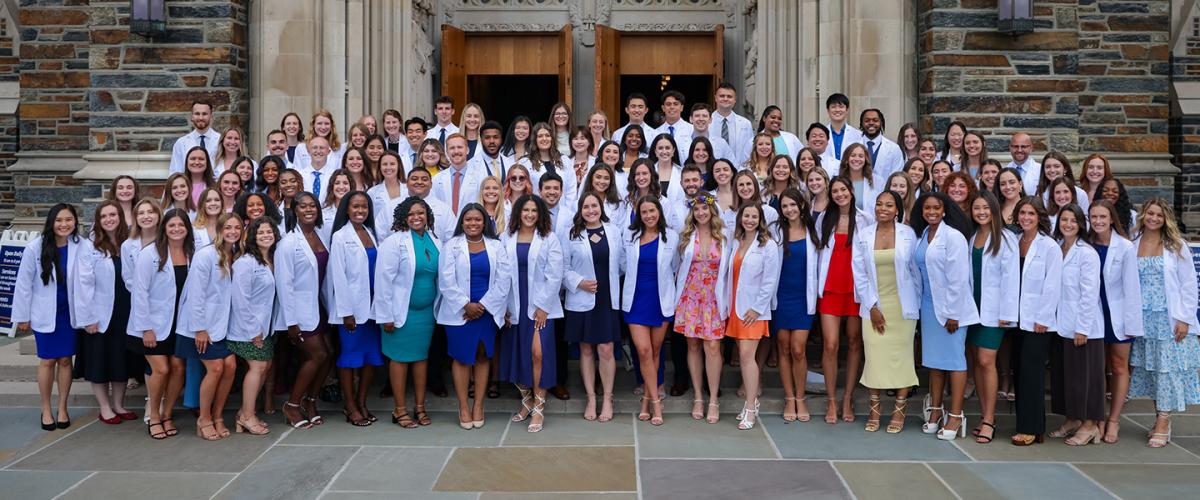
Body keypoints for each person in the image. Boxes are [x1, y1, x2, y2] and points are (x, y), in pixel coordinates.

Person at [1129, 198, 1200, 448]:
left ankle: (1164, 420)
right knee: (1153, 370)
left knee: (1167, 371)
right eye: (1150, 213)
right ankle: (1158, 415)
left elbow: (1189, 285)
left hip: (1168, 318)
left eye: (1159, 215)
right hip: (1143, 318)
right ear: (1143, 215)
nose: (1154, 218)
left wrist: (1184, 319)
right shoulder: (1133, 242)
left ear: (1166, 218)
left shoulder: (1176, 245)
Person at [910, 192, 979, 441]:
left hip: (952, 310)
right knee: (934, 362)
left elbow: (959, 279)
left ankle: (956, 415)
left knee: (955, 362)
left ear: (944, 210)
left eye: (936, 208)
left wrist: (953, 314)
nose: (931, 212)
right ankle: (936, 410)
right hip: (928, 307)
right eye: (927, 208)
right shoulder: (921, 236)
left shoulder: (954, 237)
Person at [437, 203, 511, 429]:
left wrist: (483, 305)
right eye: (468, 219)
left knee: (482, 355)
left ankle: (478, 405)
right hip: (460, 312)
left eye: (477, 219)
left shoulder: (496, 246)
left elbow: (504, 279)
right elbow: (445, 280)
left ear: (484, 222)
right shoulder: (452, 246)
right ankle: (463, 406)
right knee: (461, 357)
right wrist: (465, 305)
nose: (473, 223)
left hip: (486, 311)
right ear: (462, 222)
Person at [851, 190, 919, 433]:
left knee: (901, 358)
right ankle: (874, 410)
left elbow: (914, 271)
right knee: (875, 358)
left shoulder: (908, 234)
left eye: (889, 205)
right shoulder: (864, 234)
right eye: (879, 204)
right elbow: (859, 273)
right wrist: (872, 307)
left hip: (903, 307)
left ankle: (899, 412)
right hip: (874, 306)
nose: (883, 208)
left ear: (897, 210)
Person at [374, 197, 441, 428]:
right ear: (403, 216)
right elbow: (383, 281)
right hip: (400, 314)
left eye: (421, 213)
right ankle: (399, 410)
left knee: (421, 359)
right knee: (399, 360)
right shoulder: (394, 242)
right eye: (411, 213)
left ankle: (420, 407)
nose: (416, 217)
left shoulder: (434, 239)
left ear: (427, 216)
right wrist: (386, 316)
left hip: (426, 315)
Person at [14, 204, 82, 431]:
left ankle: (62, 407)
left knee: (65, 360)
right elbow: (23, 284)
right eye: (59, 220)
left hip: (69, 313)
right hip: (45, 312)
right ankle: (45, 409)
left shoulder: (82, 246)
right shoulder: (35, 247)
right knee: (48, 360)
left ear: (75, 222)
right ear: (51, 222)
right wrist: (22, 316)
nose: (64, 224)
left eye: (69, 219)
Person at [500, 195, 564, 433]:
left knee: (539, 354)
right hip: (513, 304)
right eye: (525, 210)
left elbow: (555, 274)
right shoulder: (506, 238)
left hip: (540, 306)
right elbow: (500, 273)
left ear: (540, 214)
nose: (529, 214)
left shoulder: (549, 238)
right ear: (518, 213)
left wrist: (544, 306)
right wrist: (502, 306)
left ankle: (539, 406)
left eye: (533, 210)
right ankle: (526, 399)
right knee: (518, 354)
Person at [129, 208, 194, 439]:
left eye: (181, 225)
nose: (177, 229)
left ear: (187, 228)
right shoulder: (150, 254)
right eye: (172, 225)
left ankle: (167, 414)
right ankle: (154, 416)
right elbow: (139, 292)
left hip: (181, 323)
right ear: (164, 229)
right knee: (162, 369)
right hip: (153, 325)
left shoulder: (191, 253)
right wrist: (145, 327)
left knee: (178, 368)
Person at [73, 201, 137, 424]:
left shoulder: (129, 243)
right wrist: (88, 318)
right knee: (99, 361)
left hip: (125, 313)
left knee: (121, 361)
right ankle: (104, 407)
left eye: (113, 214)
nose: (109, 219)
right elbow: (82, 285)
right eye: (104, 216)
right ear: (98, 221)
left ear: (120, 216)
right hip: (99, 314)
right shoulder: (89, 247)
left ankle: (119, 405)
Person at [563, 192, 623, 422]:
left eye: (594, 206)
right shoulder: (572, 234)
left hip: (607, 298)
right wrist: (579, 282)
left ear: (601, 207)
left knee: (606, 349)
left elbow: (623, 263)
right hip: (583, 298)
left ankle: (607, 397)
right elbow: (563, 268)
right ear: (580, 210)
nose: (590, 210)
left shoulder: (613, 231)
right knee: (586, 349)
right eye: (586, 206)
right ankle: (591, 398)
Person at [275, 192, 334, 429]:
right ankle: (291, 404)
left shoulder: (320, 235)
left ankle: (310, 401)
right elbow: (284, 284)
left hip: (317, 305)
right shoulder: (288, 242)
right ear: (294, 210)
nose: (309, 209)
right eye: (303, 206)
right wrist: (291, 322)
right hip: (297, 311)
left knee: (329, 354)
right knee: (317, 355)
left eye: (313, 205)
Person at [180, 213, 240, 440]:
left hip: (222, 325)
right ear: (220, 230)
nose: (233, 231)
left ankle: (217, 416)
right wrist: (200, 328)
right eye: (228, 227)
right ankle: (203, 419)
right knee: (215, 368)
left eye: (237, 228)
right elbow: (195, 294)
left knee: (231, 367)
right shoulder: (205, 255)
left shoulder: (234, 254)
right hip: (201, 326)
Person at [965, 191, 1019, 444]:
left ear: (995, 210)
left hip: (994, 311)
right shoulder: (972, 237)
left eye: (986, 208)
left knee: (987, 360)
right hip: (972, 309)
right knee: (977, 360)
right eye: (977, 208)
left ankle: (989, 418)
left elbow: (1011, 279)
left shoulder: (1006, 238)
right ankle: (984, 415)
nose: (982, 212)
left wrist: (1007, 315)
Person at [1048, 203, 1104, 446]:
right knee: (1066, 377)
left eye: (1073, 220)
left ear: (1081, 224)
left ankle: (1090, 425)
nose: (1068, 224)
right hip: (1061, 323)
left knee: (1086, 378)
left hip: (1084, 328)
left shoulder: (1087, 253)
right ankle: (1073, 419)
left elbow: (1089, 293)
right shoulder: (1058, 248)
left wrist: (1083, 327)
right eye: (1064, 220)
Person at [329, 191, 385, 427]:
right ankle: (350, 405)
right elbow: (338, 277)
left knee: (370, 358)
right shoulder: (341, 237)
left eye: (364, 207)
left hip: (372, 307)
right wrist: (346, 312)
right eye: (355, 207)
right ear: (346, 209)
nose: (360, 211)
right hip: (351, 311)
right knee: (350, 358)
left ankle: (362, 402)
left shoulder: (372, 233)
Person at [622, 196, 679, 426]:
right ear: (639, 215)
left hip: (661, 299)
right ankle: (656, 403)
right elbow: (622, 265)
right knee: (643, 351)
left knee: (655, 351)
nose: (649, 216)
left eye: (652, 211)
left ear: (659, 212)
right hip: (636, 299)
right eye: (644, 212)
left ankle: (646, 398)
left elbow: (675, 266)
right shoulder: (630, 235)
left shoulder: (671, 237)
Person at [673, 193, 730, 423]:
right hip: (691, 297)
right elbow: (677, 267)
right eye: (696, 210)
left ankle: (713, 398)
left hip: (714, 299)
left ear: (712, 210)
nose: (701, 213)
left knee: (714, 347)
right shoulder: (686, 237)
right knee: (693, 345)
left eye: (704, 209)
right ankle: (698, 396)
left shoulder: (724, 236)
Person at [1010, 196, 1063, 446]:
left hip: (1037, 321)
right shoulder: (1015, 241)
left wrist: (1043, 318)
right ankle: (1029, 424)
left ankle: (1031, 428)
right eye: (1022, 213)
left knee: (1032, 373)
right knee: (1019, 371)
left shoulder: (1049, 246)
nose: (1026, 218)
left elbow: (1052, 285)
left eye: (1031, 214)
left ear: (1039, 217)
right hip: (1016, 318)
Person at [816, 177, 868, 423]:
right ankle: (831, 400)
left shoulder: (866, 219)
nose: (839, 194)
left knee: (855, 342)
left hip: (855, 289)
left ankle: (847, 398)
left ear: (851, 191)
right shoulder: (823, 219)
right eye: (835, 191)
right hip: (830, 288)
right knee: (830, 344)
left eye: (843, 190)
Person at [726, 203, 781, 430]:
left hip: (753, 312)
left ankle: (750, 407)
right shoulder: (737, 241)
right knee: (743, 355)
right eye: (746, 216)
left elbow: (770, 280)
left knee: (748, 358)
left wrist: (757, 308)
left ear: (760, 220)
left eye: (754, 216)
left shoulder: (767, 245)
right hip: (736, 308)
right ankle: (752, 402)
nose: (749, 220)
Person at [228, 217, 282, 436]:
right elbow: (240, 300)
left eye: (269, 232)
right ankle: (248, 416)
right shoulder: (245, 262)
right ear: (252, 237)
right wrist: (253, 331)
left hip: (264, 327)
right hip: (246, 330)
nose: (266, 236)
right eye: (260, 233)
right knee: (258, 367)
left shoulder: (271, 259)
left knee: (266, 365)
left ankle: (243, 413)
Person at [770, 189, 819, 423]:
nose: (789, 210)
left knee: (798, 348)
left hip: (803, 297)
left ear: (801, 205)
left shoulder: (814, 229)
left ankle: (801, 398)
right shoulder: (776, 230)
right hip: (781, 297)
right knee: (784, 347)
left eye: (793, 205)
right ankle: (789, 398)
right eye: (785, 206)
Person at [431, 134, 485, 216]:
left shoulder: (480, 177)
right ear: (447, 152)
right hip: (444, 226)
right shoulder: (437, 179)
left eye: (460, 147)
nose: (456, 151)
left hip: (470, 224)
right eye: (452, 148)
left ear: (467, 150)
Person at [169, 101, 220, 174]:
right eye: (197, 114)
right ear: (192, 116)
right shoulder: (181, 143)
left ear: (211, 116)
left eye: (204, 114)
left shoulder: (221, 140)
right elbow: (175, 172)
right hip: (189, 184)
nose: (201, 117)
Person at [368, 152, 409, 240]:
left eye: (392, 164)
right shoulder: (372, 192)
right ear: (380, 167)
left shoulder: (409, 189)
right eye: (385, 164)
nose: (388, 167)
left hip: (408, 237)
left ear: (399, 166)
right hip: (382, 239)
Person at [712, 83, 755, 164]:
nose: (725, 99)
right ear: (715, 98)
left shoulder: (745, 124)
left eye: (729, 96)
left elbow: (750, 150)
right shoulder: (707, 122)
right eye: (722, 96)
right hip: (713, 171)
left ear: (735, 100)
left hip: (738, 170)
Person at [860, 108, 904, 178]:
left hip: (884, 188)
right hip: (858, 187)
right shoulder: (853, 145)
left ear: (881, 123)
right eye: (867, 120)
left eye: (875, 120)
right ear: (862, 123)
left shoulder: (894, 149)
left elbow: (897, 175)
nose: (871, 123)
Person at [654, 90, 694, 162]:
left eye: (675, 104)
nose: (672, 107)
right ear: (663, 108)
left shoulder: (692, 130)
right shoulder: (656, 132)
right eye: (668, 104)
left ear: (681, 107)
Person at [825, 93, 864, 161]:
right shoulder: (822, 133)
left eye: (841, 107)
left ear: (847, 110)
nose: (837, 110)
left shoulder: (858, 134)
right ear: (828, 110)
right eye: (833, 107)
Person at [298, 136, 336, 200]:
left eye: (322, 148)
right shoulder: (300, 175)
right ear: (308, 151)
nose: (318, 151)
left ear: (328, 151)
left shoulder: (335, 175)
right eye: (314, 147)